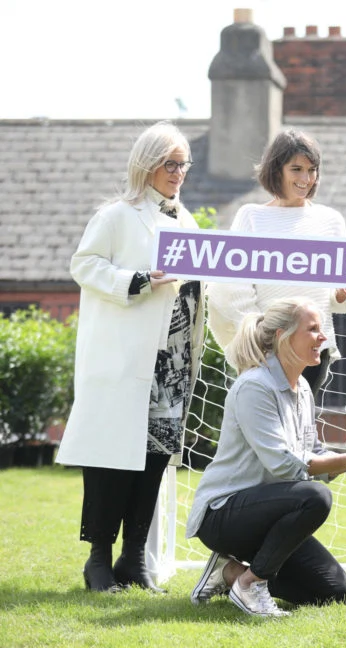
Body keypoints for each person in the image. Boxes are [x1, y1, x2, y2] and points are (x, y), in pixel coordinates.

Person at [57, 121, 205, 592]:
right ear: (146, 163)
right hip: (124, 360)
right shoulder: (117, 215)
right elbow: (84, 265)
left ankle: (134, 558)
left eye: (183, 164)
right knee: (110, 459)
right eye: (169, 163)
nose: (178, 172)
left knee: (155, 458)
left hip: (172, 364)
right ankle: (99, 559)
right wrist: (138, 280)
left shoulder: (188, 223)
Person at [186, 298, 346, 617]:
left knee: (339, 595)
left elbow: (313, 452)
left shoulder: (303, 389)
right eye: (313, 329)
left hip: (270, 513)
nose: (323, 337)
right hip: (222, 516)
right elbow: (284, 464)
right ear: (283, 337)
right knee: (316, 497)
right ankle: (251, 584)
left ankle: (229, 573)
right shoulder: (254, 386)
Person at [207, 129, 346, 396]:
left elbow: (336, 299)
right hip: (265, 351)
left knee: (301, 420)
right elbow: (231, 290)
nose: (305, 179)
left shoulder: (331, 221)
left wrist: (343, 295)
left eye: (311, 170)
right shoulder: (251, 217)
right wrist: (265, 338)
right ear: (277, 169)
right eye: (296, 169)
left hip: (313, 350)